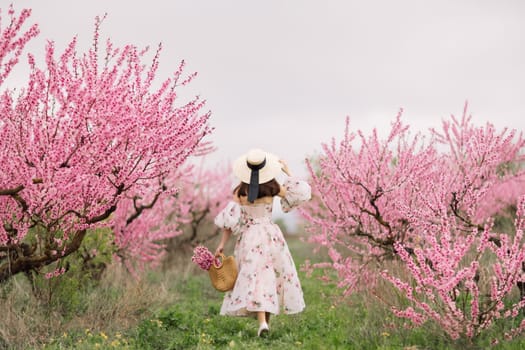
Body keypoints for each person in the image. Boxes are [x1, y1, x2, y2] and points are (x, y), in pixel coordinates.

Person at [214, 148, 311, 337]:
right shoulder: (272, 187)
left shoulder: (240, 191)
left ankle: (264, 324)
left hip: (249, 237)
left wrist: (222, 244)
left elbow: (229, 221)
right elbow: (299, 194)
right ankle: (264, 323)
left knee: (256, 277)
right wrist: (288, 172)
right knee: (268, 277)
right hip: (270, 235)